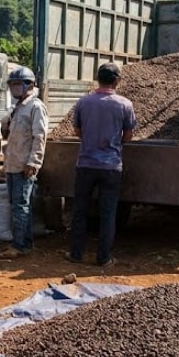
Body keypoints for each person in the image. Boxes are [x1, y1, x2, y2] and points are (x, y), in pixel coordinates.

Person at [67, 62, 135, 267]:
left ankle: (75, 254)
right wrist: (114, 143)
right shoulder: (124, 104)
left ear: (98, 79)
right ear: (117, 81)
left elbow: (77, 131)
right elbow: (129, 135)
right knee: (108, 213)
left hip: (85, 164)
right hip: (111, 166)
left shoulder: (83, 102)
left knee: (80, 211)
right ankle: (104, 257)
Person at [0, 66, 47, 259]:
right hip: (13, 164)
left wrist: (34, 162)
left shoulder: (36, 107)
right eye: (12, 84)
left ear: (30, 85)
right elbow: (10, 137)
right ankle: (25, 243)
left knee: (20, 206)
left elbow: (39, 137)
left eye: (18, 84)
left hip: (24, 165)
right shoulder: (18, 108)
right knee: (17, 205)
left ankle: (20, 245)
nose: (14, 88)